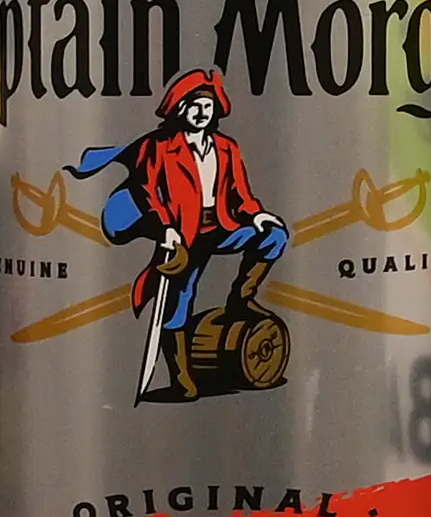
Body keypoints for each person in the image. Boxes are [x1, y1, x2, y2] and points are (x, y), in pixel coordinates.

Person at [82, 68, 286, 392]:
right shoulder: (162, 147)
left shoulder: (226, 148)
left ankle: (241, 299)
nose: (202, 112)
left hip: (221, 225)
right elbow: (149, 191)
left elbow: (240, 194)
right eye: (195, 106)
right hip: (185, 234)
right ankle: (181, 378)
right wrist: (166, 229)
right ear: (180, 108)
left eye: (208, 106)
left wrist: (257, 215)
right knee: (179, 302)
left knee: (275, 235)